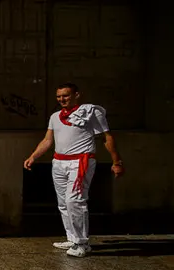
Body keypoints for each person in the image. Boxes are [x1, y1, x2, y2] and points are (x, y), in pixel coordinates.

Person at [24, 83, 125, 257]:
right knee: (63, 203)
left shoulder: (91, 112)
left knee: (75, 201)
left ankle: (82, 243)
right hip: (59, 163)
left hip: (81, 162)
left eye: (66, 95)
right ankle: (72, 238)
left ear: (77, 95)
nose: (62, 99)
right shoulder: (55, 116)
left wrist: (117, 161)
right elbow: (48, 140)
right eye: (58, 96)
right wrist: (33, 156)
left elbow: (107, 137)